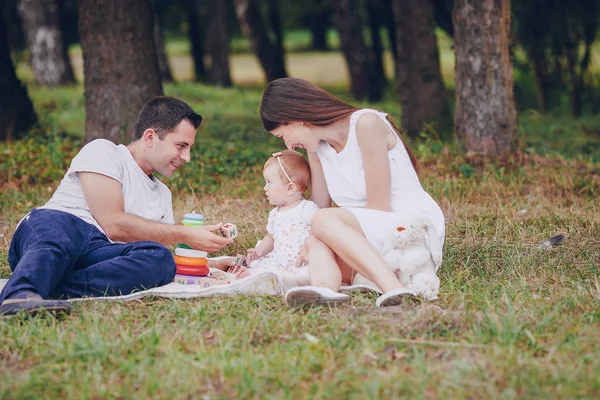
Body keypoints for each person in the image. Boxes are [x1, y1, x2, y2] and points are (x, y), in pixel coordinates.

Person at [0, 96, 233, 316]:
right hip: (60, 224)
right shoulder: (104, 151)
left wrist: (207, 264)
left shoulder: (163, 195)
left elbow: (136, 253)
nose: (187, 157)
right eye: (181, 145)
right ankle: (20, 293)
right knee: (57, 239)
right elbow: (112, 223)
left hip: (99, 252)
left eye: (189, 147)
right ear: (150, 137)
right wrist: (186, 234)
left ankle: (53, 285)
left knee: (159, 259)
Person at [259, 78, 445, 308]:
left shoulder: (366, 124)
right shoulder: (317, 148)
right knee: (315, 239)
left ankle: (395, 289)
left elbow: (378, 207)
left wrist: (330, 233)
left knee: (322, 221)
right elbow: (319, 208)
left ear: (297, 118)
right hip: (368, 236)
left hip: (406, 229)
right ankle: (325, 291)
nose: (288, 145)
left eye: (282, 135)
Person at [234, 150, 319, 291]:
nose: (265, 188)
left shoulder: (307, 209)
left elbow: (319, 232)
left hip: (301, 261)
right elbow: (271, 237)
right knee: (267, 268)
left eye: (269, 182)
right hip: (279, 260)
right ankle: (253, 277)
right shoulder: (275, 214)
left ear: (290, 188)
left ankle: (287, 281)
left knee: (307, 275)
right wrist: (260, 251)